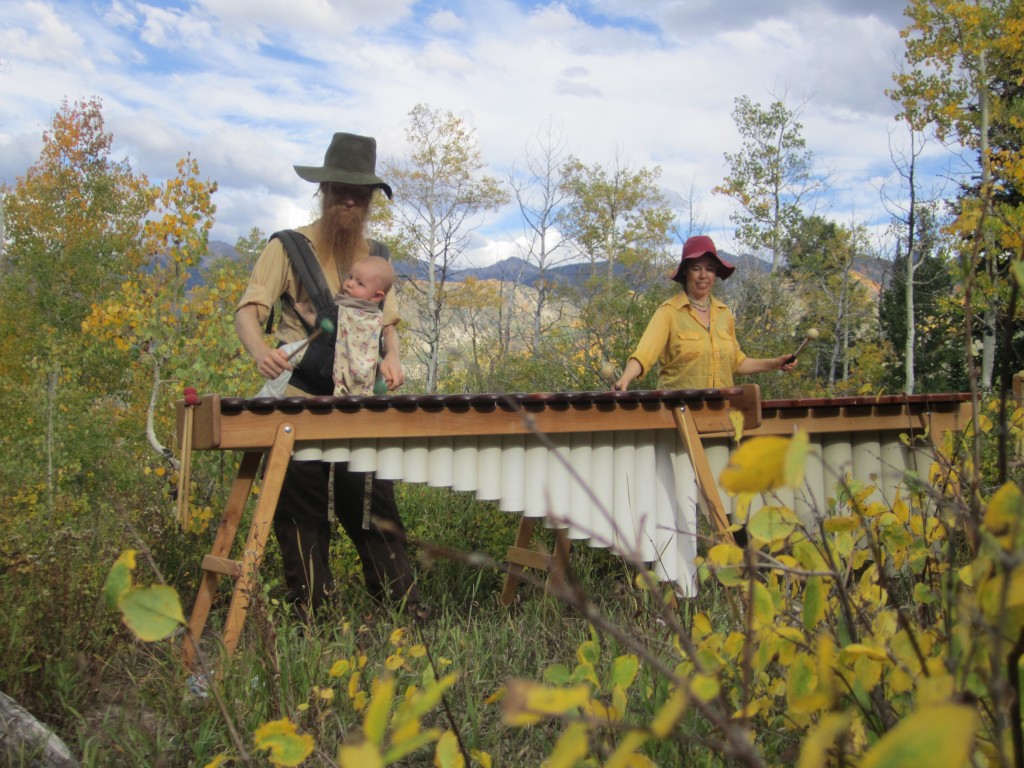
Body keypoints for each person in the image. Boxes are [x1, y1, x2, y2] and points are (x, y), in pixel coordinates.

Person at [235, 132, 423, 622]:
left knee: (375, 510)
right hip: (301, 402)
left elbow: (387, 323)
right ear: (324, 189)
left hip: (358, 406)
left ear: (369, 198)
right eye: (341, 188)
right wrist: (261, 352)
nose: (349, 199)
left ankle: (403, 616)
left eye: (358, 192)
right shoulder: (287, 246)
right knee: (302, 514)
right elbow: (248, 310)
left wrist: (393, 358)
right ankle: (313, 620)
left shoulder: (376, 256)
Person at [613, 235, 796, 391]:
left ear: (715, 273)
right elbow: (644, 355)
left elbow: (737, 362)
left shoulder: (724, 313)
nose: (703, 275)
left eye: (709, 269)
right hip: (678, 412)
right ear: (686, 271)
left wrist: (775, 363)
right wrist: (625, 378)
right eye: (696, 268)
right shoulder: (668, 312)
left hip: (722, 412)